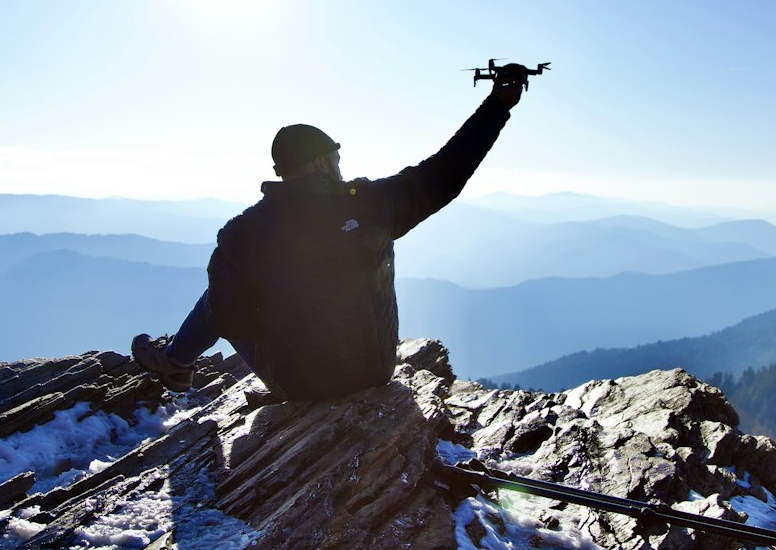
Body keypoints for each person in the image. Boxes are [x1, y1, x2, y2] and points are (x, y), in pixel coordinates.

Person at [131, 65, 527, 400]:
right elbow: (446, 172)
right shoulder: (372, 203)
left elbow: (229, 319)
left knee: (214, 300)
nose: (340, 164)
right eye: (336, 157)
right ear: (321, 163)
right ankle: (177, 362)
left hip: (300, 385)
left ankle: (175, 363)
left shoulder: (242, 234)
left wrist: (280, 316)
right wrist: (496, 107)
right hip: (375, 369)